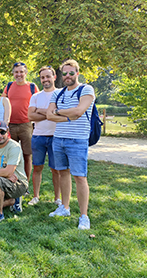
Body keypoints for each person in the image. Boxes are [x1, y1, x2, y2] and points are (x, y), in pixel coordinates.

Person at [46, 59, 95, 230]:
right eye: (65, 73)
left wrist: (59, 112)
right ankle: (65, 208)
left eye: (71, 73)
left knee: (80, 177)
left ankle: (84, 216)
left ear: (77, 73)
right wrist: (68, 117)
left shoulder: (86, 89)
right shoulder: (58, 93)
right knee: (62, 174)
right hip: (58, 139)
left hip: (78, 139)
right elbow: (48, 115)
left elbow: (79, 111)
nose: (67, 76)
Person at [27, 66, 61, 206]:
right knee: (37, 167)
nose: (45, 79)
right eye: (42, 77)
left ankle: (57, 198)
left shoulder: (61, 94)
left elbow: (61, 113)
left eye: (48, 76)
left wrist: (41, 111)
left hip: (56, 136)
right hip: (38, 136)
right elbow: (30, 115)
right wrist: (50, 113)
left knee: (56, 169)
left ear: (54, 77)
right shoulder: (36, 96)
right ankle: (36, 196)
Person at [2, 62, 39, 182]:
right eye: (16, 72)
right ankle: (11, 180)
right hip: (10, 125)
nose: (19, 74)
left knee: (27, 155)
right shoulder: (8, 86)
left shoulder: (32, 87)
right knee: (11, 155)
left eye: (21, 72)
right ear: (13, 73)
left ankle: (25, 183)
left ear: (26, 73)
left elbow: (38, 104)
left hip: (26, 125)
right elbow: (2, 103)